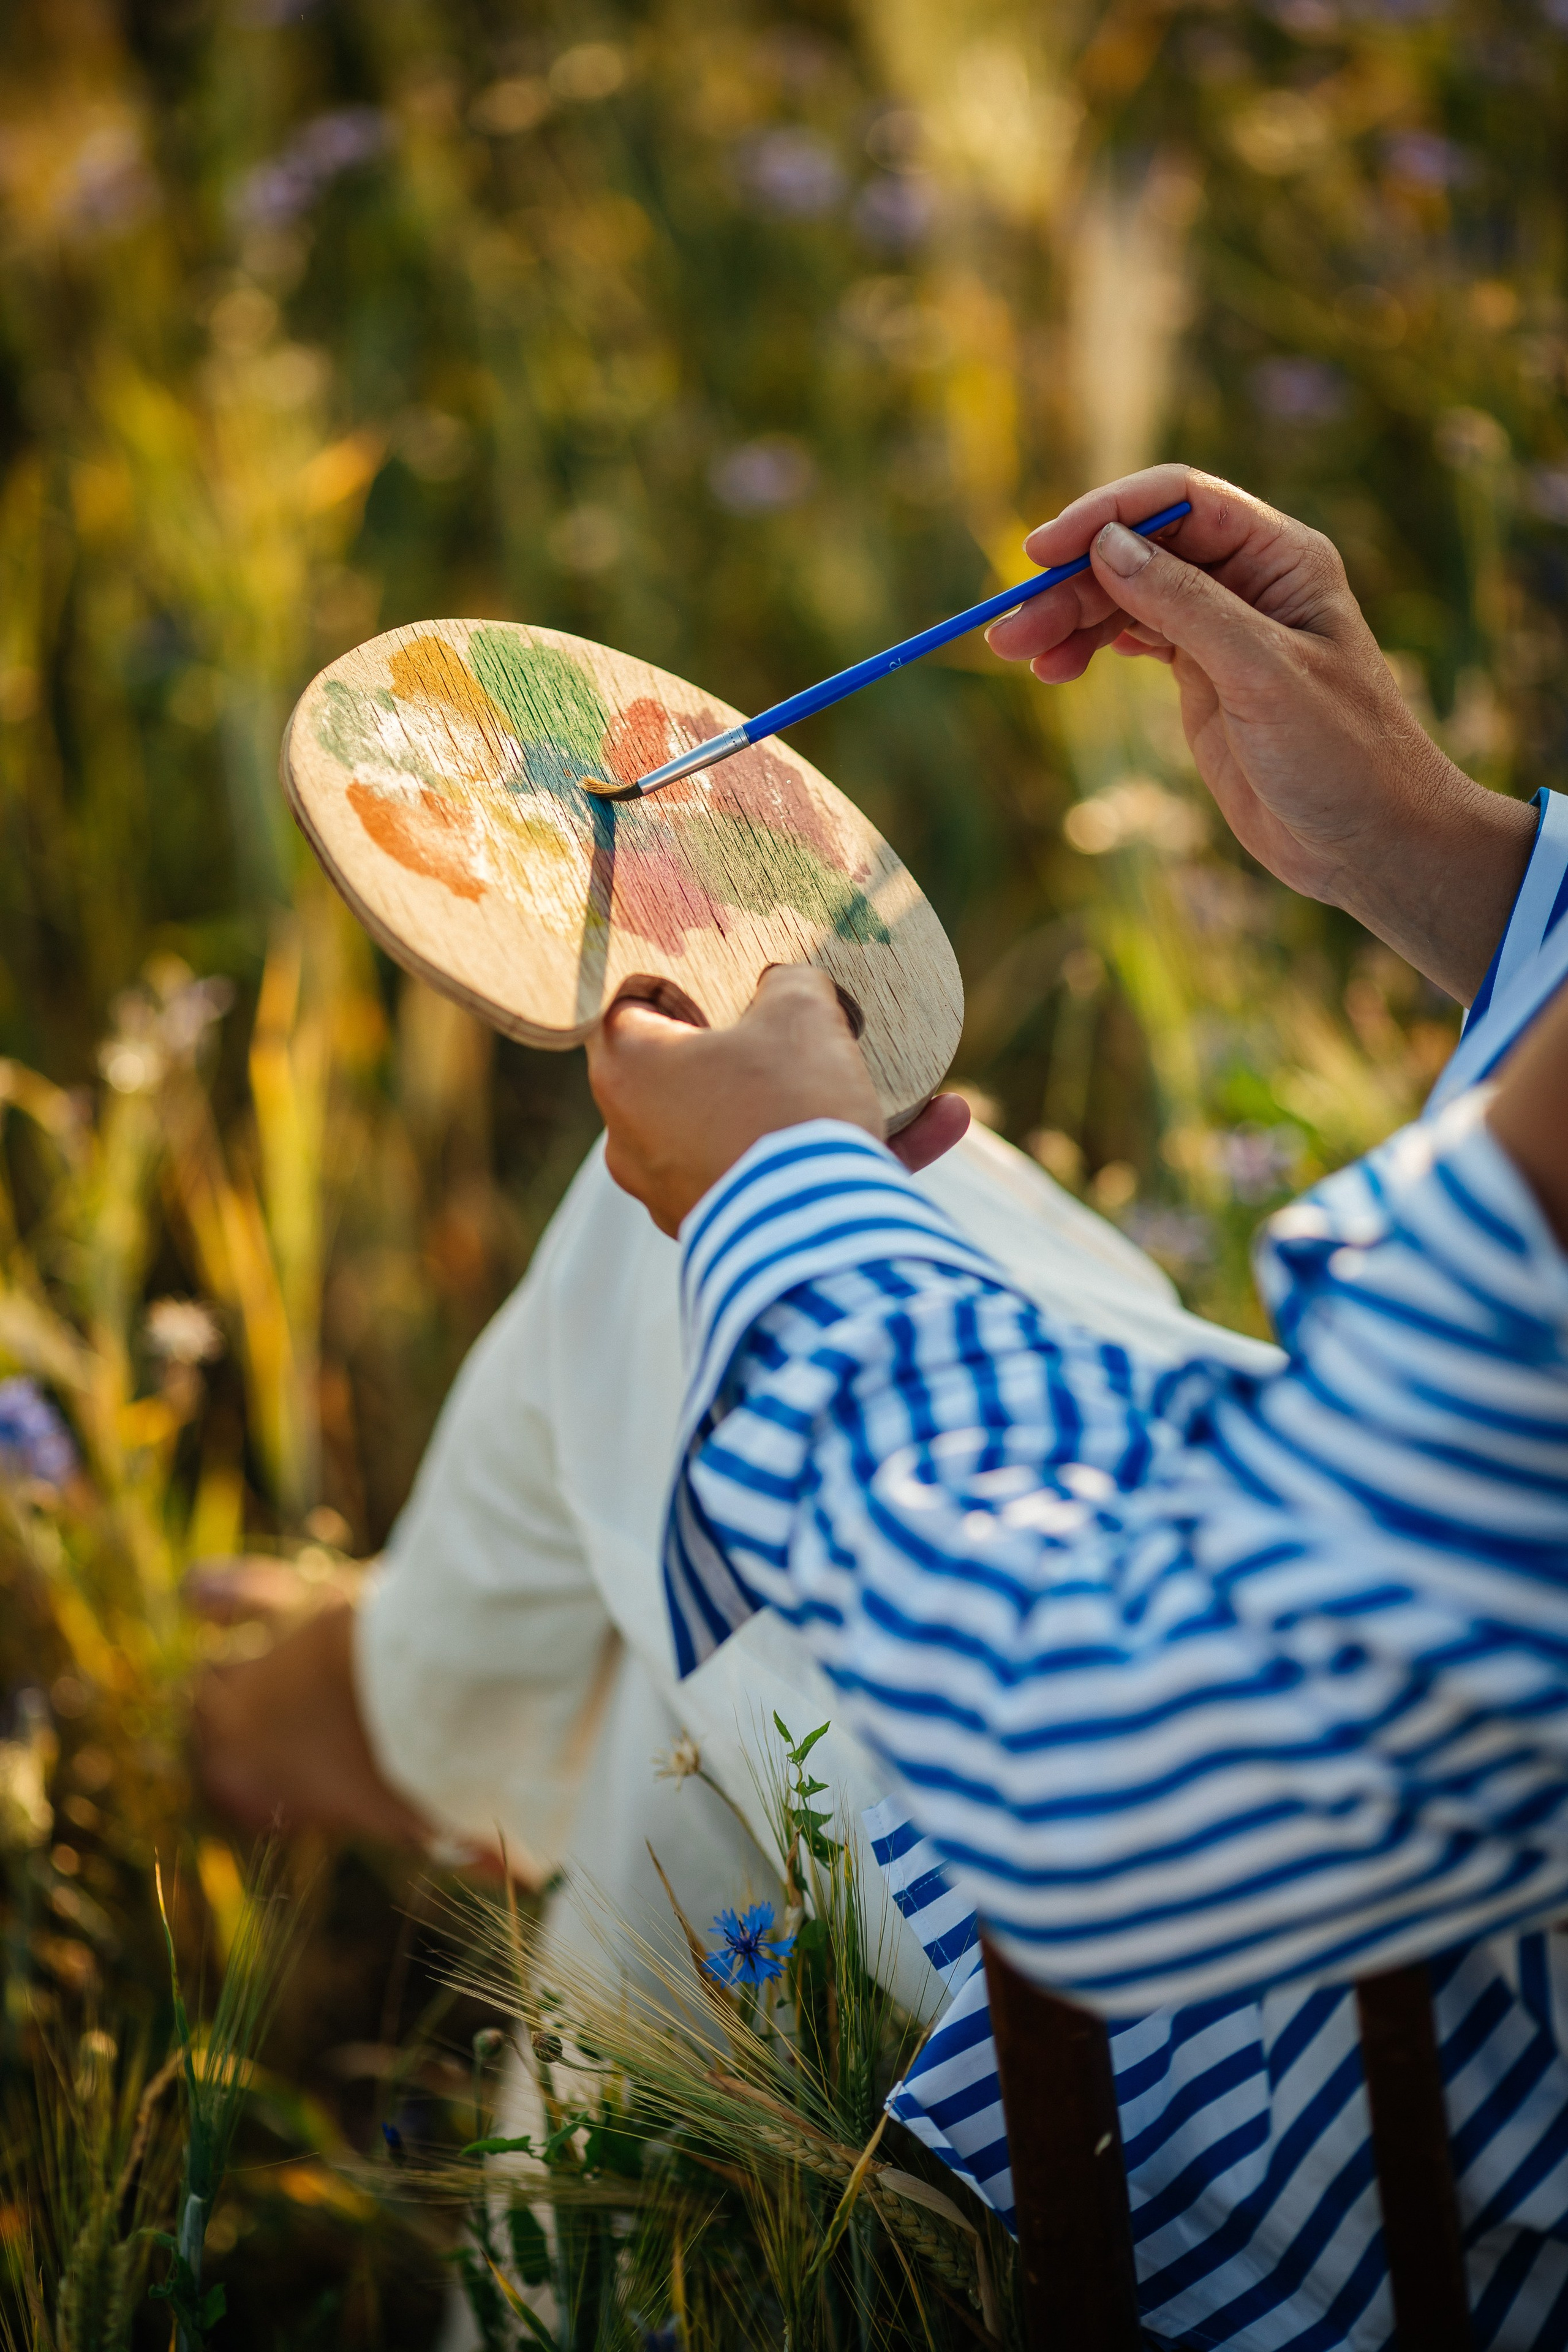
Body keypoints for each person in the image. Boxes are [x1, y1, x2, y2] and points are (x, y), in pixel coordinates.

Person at [584, 467, 1568, 2348]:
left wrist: (784, 1207)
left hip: (1357, 2113)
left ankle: (329, 1751)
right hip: (1354, 1659)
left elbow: (1136, 1782)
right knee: (661, 1601)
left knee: (642, 1278)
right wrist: (1445, 855)